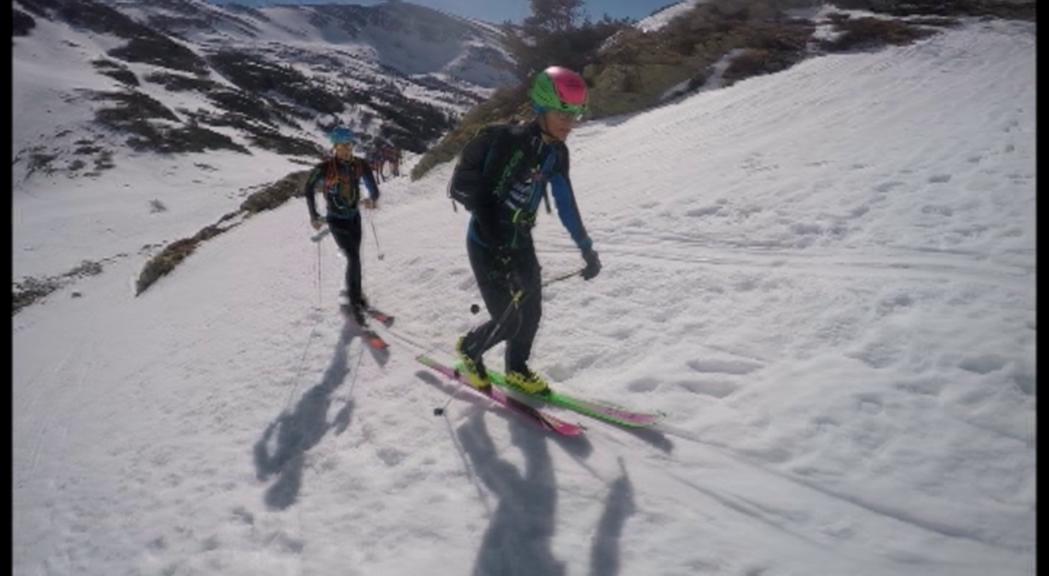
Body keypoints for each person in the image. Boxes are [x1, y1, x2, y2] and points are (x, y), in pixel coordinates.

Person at [453, 66, 602, 395]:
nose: (570, 122)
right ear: (541, 107)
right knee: (508, 319)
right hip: (486, 241)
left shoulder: (556, 153)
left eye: (576, 113)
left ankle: (516, 369)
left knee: (531, 313)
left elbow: (566, 204)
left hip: (519, 240)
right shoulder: (514, 142)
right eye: (563, 113)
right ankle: (470, 349)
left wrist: (586, 248)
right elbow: (485, 202)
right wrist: (501, 252)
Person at [304, 127, 381, 325]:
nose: (347, 150)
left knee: (355, 258)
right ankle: (355, 302)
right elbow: (308, 188)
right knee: (353, 258)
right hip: (336, 220)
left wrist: (372, 198)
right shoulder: (325, 168)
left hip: (354, 218)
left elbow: (373, 187)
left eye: (349, 145)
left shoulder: (359, 164)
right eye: (342, 147)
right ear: (335, 147)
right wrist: (314, 215)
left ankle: (356, 295)